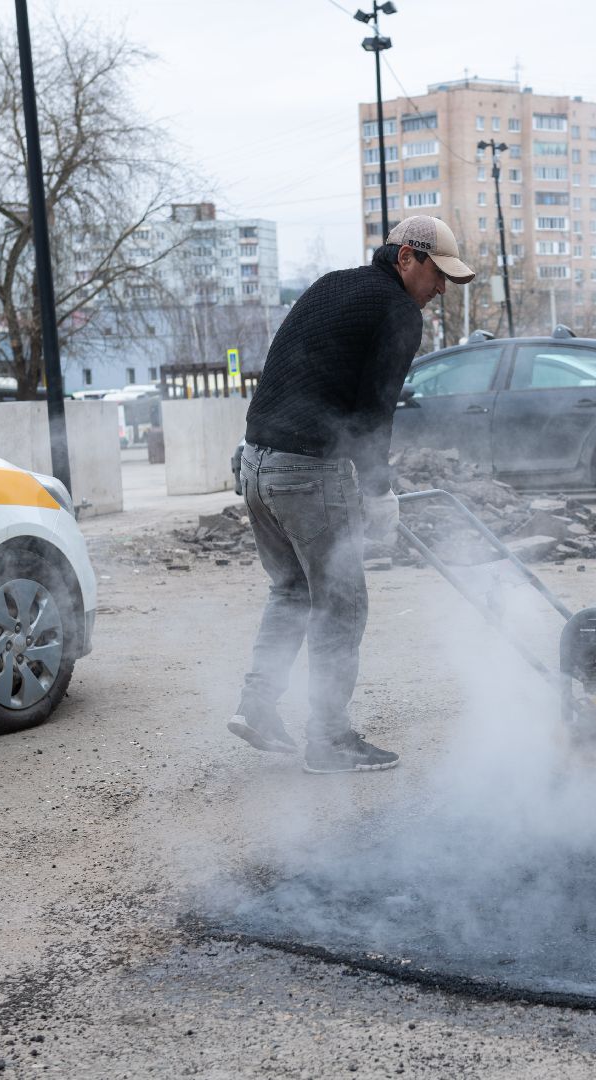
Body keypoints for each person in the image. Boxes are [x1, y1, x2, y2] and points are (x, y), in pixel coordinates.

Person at [227, 216, 474, 774]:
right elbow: (373, 413)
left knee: (292, 590)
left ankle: (257, 705)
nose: (441, 289)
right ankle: (329, 740)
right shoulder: (397, 311)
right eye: (438, 274)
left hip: (257, 463)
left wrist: (254, 445)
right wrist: (379, 491)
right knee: (341, 604)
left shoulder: (331, 285)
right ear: (407, 257)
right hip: (309, 471)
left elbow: (282, 371)